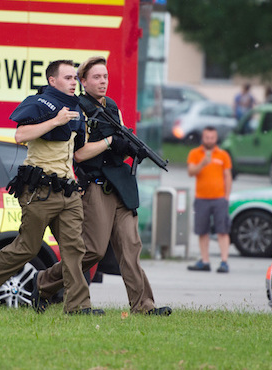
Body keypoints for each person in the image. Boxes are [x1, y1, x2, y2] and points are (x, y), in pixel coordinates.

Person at [33, 56, 171, 316]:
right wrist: (110, 142)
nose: (103, 81)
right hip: (95, 187)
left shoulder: (112, 107)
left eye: (105, 76)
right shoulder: (78, 108)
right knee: (92, 250)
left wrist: (129, 148)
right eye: (96, 77)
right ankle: (44, 282)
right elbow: (80, 154)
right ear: (83, 82)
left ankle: (144, 306)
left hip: (121, 186)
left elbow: (119, 139)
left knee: (130, 249)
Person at [0, 60, 101, 315]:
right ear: (52, 81)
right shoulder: (38, 103)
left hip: (68, 191)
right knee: (27, 247)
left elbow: (79, 152)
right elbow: (20, 135)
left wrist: (109, 142)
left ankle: (78, 306)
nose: (74, 82)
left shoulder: (78, 111)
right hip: (40, 191)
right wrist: (55, 121)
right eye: (68, 78)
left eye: (75, 78)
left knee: (75, 249)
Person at [186, 127, 232, 273]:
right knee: (202, 230)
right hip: (201, 198)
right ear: (203, 138)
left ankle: (224, 261)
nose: (209, 140)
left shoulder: (223, 155)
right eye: (207, 137)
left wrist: (226, 196)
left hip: (219, 198)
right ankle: (205, 261)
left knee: (222, 230)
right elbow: (191, 172)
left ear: (216, 138)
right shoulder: (195, 153)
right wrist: (203, 163)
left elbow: (228, 175)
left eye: (212, 137)